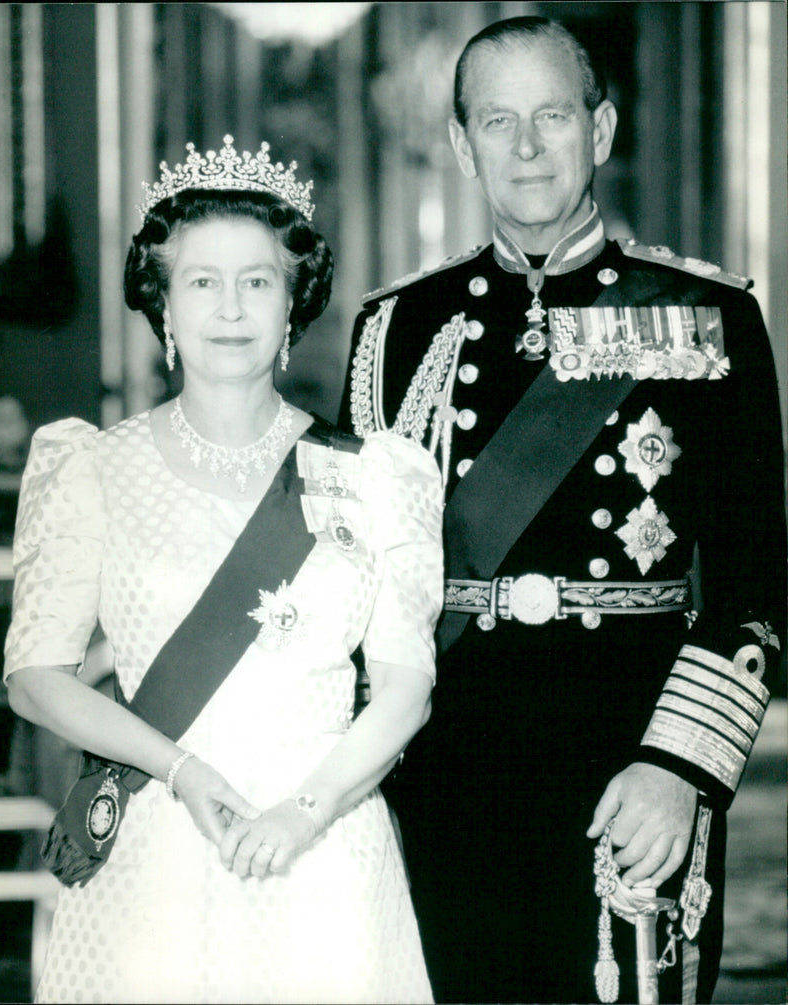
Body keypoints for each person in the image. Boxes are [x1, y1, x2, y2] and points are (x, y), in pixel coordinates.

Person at [340, 17, 786, 1005]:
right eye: (498, 121)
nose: (527, 146)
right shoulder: (398, 328)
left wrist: (681, 767)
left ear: (601, 129)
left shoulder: (700, 318)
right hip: (442, 776)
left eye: (551, 115)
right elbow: (351, 579)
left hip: (625, 766)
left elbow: (757, 583)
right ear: (462, 145)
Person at [4, 135, 443, 1004]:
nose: (231, 307)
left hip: (326, 850)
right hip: (157, 849)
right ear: (163, 304)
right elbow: (33, 678)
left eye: (258, 281)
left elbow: (406, 688)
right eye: (202, 281)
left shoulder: (372, 473)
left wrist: (302, 812)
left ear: (292, 304)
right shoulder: (92, 467)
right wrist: (183, 771)